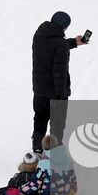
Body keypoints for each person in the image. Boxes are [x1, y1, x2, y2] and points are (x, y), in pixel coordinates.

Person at [31, 11, 87, 153]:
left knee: (40, 118)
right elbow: (59, 72)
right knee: (57, 125)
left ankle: (37, 149)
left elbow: (53, 47)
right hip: (55, 92)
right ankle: (54, 153)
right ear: (65, 27)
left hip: (39, 90)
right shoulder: (60, 44)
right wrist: (61, 95)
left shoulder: (39, 35)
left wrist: (74, 42)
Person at [0, 136, 78, 195]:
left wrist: (19, 190)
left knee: (16, 187)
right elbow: (73, 178)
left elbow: (34, 185)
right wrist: (73, 189)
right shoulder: (67, 160)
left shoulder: (44, 165)